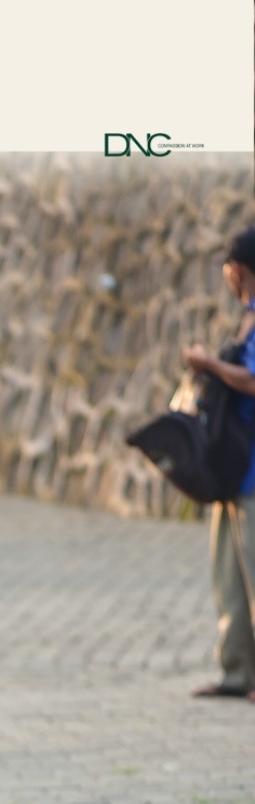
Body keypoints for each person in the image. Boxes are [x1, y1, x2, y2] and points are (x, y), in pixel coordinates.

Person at [185, 229, 255, 701]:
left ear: (239, 269)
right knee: (229, 575)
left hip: (252, 469)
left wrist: (209, 365)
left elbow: (252, 380)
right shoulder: (248, 319)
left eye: (227, 268)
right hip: (233, 467)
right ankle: (238, 673)